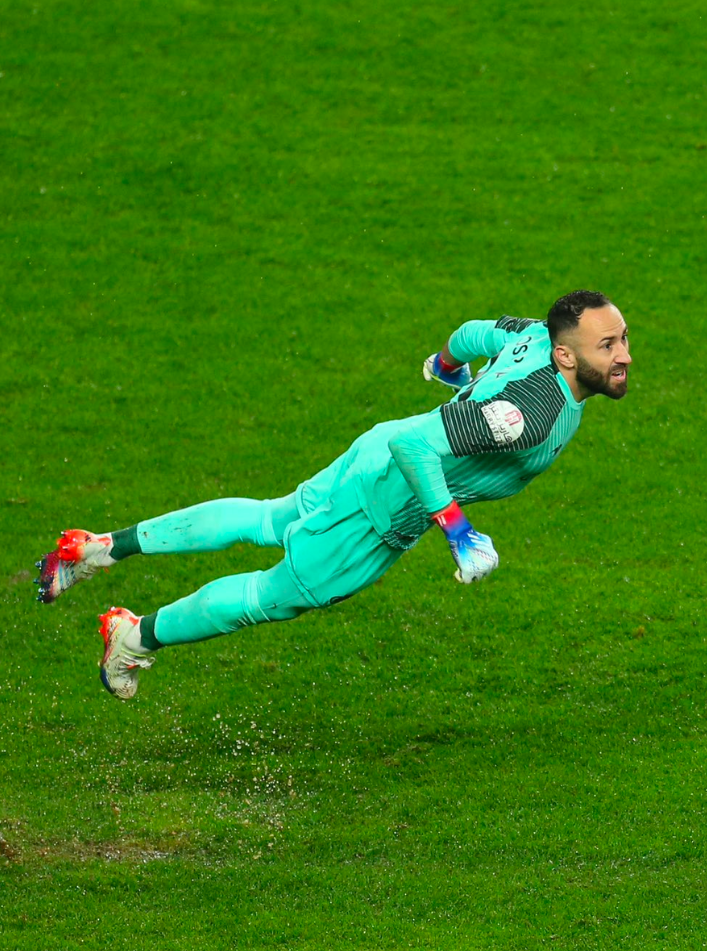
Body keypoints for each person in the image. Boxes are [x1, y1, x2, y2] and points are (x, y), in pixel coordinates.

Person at [36, 290, 632, 700]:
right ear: (564, 353)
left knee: (270, 519)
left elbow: (474, 332)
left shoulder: (530, 333)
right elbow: (416, 447)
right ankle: (132, 637)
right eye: (607, 345)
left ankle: (97, 549)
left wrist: (447, 363)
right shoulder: (529, 414)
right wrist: (458, 531)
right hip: (383, 505)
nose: (624, 355)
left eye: (623, 338)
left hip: (371, 456)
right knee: (272, 596)